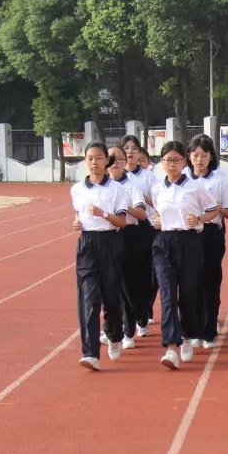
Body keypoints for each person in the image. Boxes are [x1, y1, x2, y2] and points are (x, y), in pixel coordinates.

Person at [151, 141, 217, 370]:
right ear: (161, 162)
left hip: (189, 242)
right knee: (168, 295)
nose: (172, 165)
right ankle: (171, 347)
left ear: (184, 162)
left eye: (177, 160)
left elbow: (213, 210)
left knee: (188, 294)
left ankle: (188, 336)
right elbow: (156, 214)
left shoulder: (196, 187)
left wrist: (198, 219)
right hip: (164, 243)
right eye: (168, 160)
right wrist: (156, 221)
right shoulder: (158, 189)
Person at [79, 145, 148, 351]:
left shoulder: (130, 186)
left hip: (129, 237)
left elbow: (141, 215)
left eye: (120, 158)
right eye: (113, 158)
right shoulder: (87, 188)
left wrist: (119, 208)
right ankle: (112, 331)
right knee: (104, 291)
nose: (116, 162)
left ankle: (128, 330)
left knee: (126, 287)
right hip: (100, 239)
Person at [70, 142, 129, 370]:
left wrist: (104, 214)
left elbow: (122, 222)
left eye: (98, 158)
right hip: (87, 244)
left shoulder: (117, 190)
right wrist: (76, 223)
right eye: (90, 159)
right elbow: (78, 215)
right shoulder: (77, 189)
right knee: (89, 299)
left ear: (107, 161)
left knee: (111, 298)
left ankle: (114, 336)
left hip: (110, 242)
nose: (94, 163)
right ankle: (90, 352)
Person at [185, 134, 228, 349]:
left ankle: (209, 330)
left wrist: (215, 207)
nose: (199, 159)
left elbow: (227, 212)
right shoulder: (184, 177)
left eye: (204, 155)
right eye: (195, 155)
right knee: (190, 283)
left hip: (212, 233)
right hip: (189, 234)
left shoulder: (219, 178)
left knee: (210, 281)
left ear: (211, 156)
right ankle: (193, 328)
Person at [121, 135, 158, 339]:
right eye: (126, 148)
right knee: (122, 279)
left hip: (146, 228)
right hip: (119, 230)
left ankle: (142, 317)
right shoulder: (114, 176)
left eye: (134, 148)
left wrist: (140, 198)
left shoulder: (147, 177)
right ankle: (124, 322)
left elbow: (157, 201)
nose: (130, 152)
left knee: (145, 276)